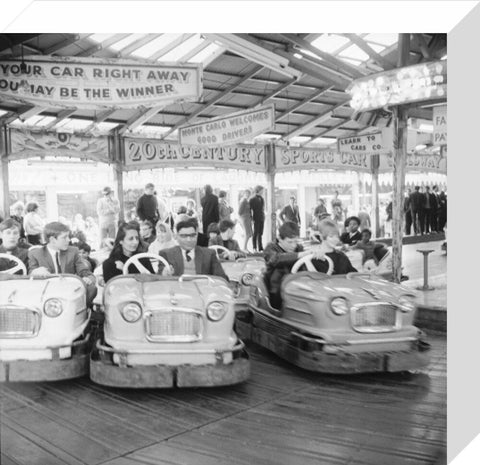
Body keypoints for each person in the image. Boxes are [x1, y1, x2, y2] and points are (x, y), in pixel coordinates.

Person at [28, 222, 97, 305]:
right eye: (64, 237)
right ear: (52, 240)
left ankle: (77, 311)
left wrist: (88, 278)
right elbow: (30, 277)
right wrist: (34, 272)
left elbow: (85, 272)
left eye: (68, 236)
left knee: (92, 288)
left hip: (69, 292)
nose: (69, 240)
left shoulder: (73, 251)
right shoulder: (35, 254)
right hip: (47, 293)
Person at [157, 217, 228, 279]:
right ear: (177, 237)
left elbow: (222, 278)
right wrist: (164, 274)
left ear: (197, 236)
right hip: (177, 293)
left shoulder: (209, 254)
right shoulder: (166, 254)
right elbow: (159, 280)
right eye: (184, 236)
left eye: (192, 235)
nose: (189, 239)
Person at [249, 185, 265, 252]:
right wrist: (251, 218)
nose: (263, 192)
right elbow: (249, 209)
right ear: (259, 190)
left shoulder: (262, 198)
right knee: (255, 233)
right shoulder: (252, 199)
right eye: (262, 190)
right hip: (255, 218)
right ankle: (254, 248)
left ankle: (260, 248)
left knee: (260, 233)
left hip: (262, 218)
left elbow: (262, 208)